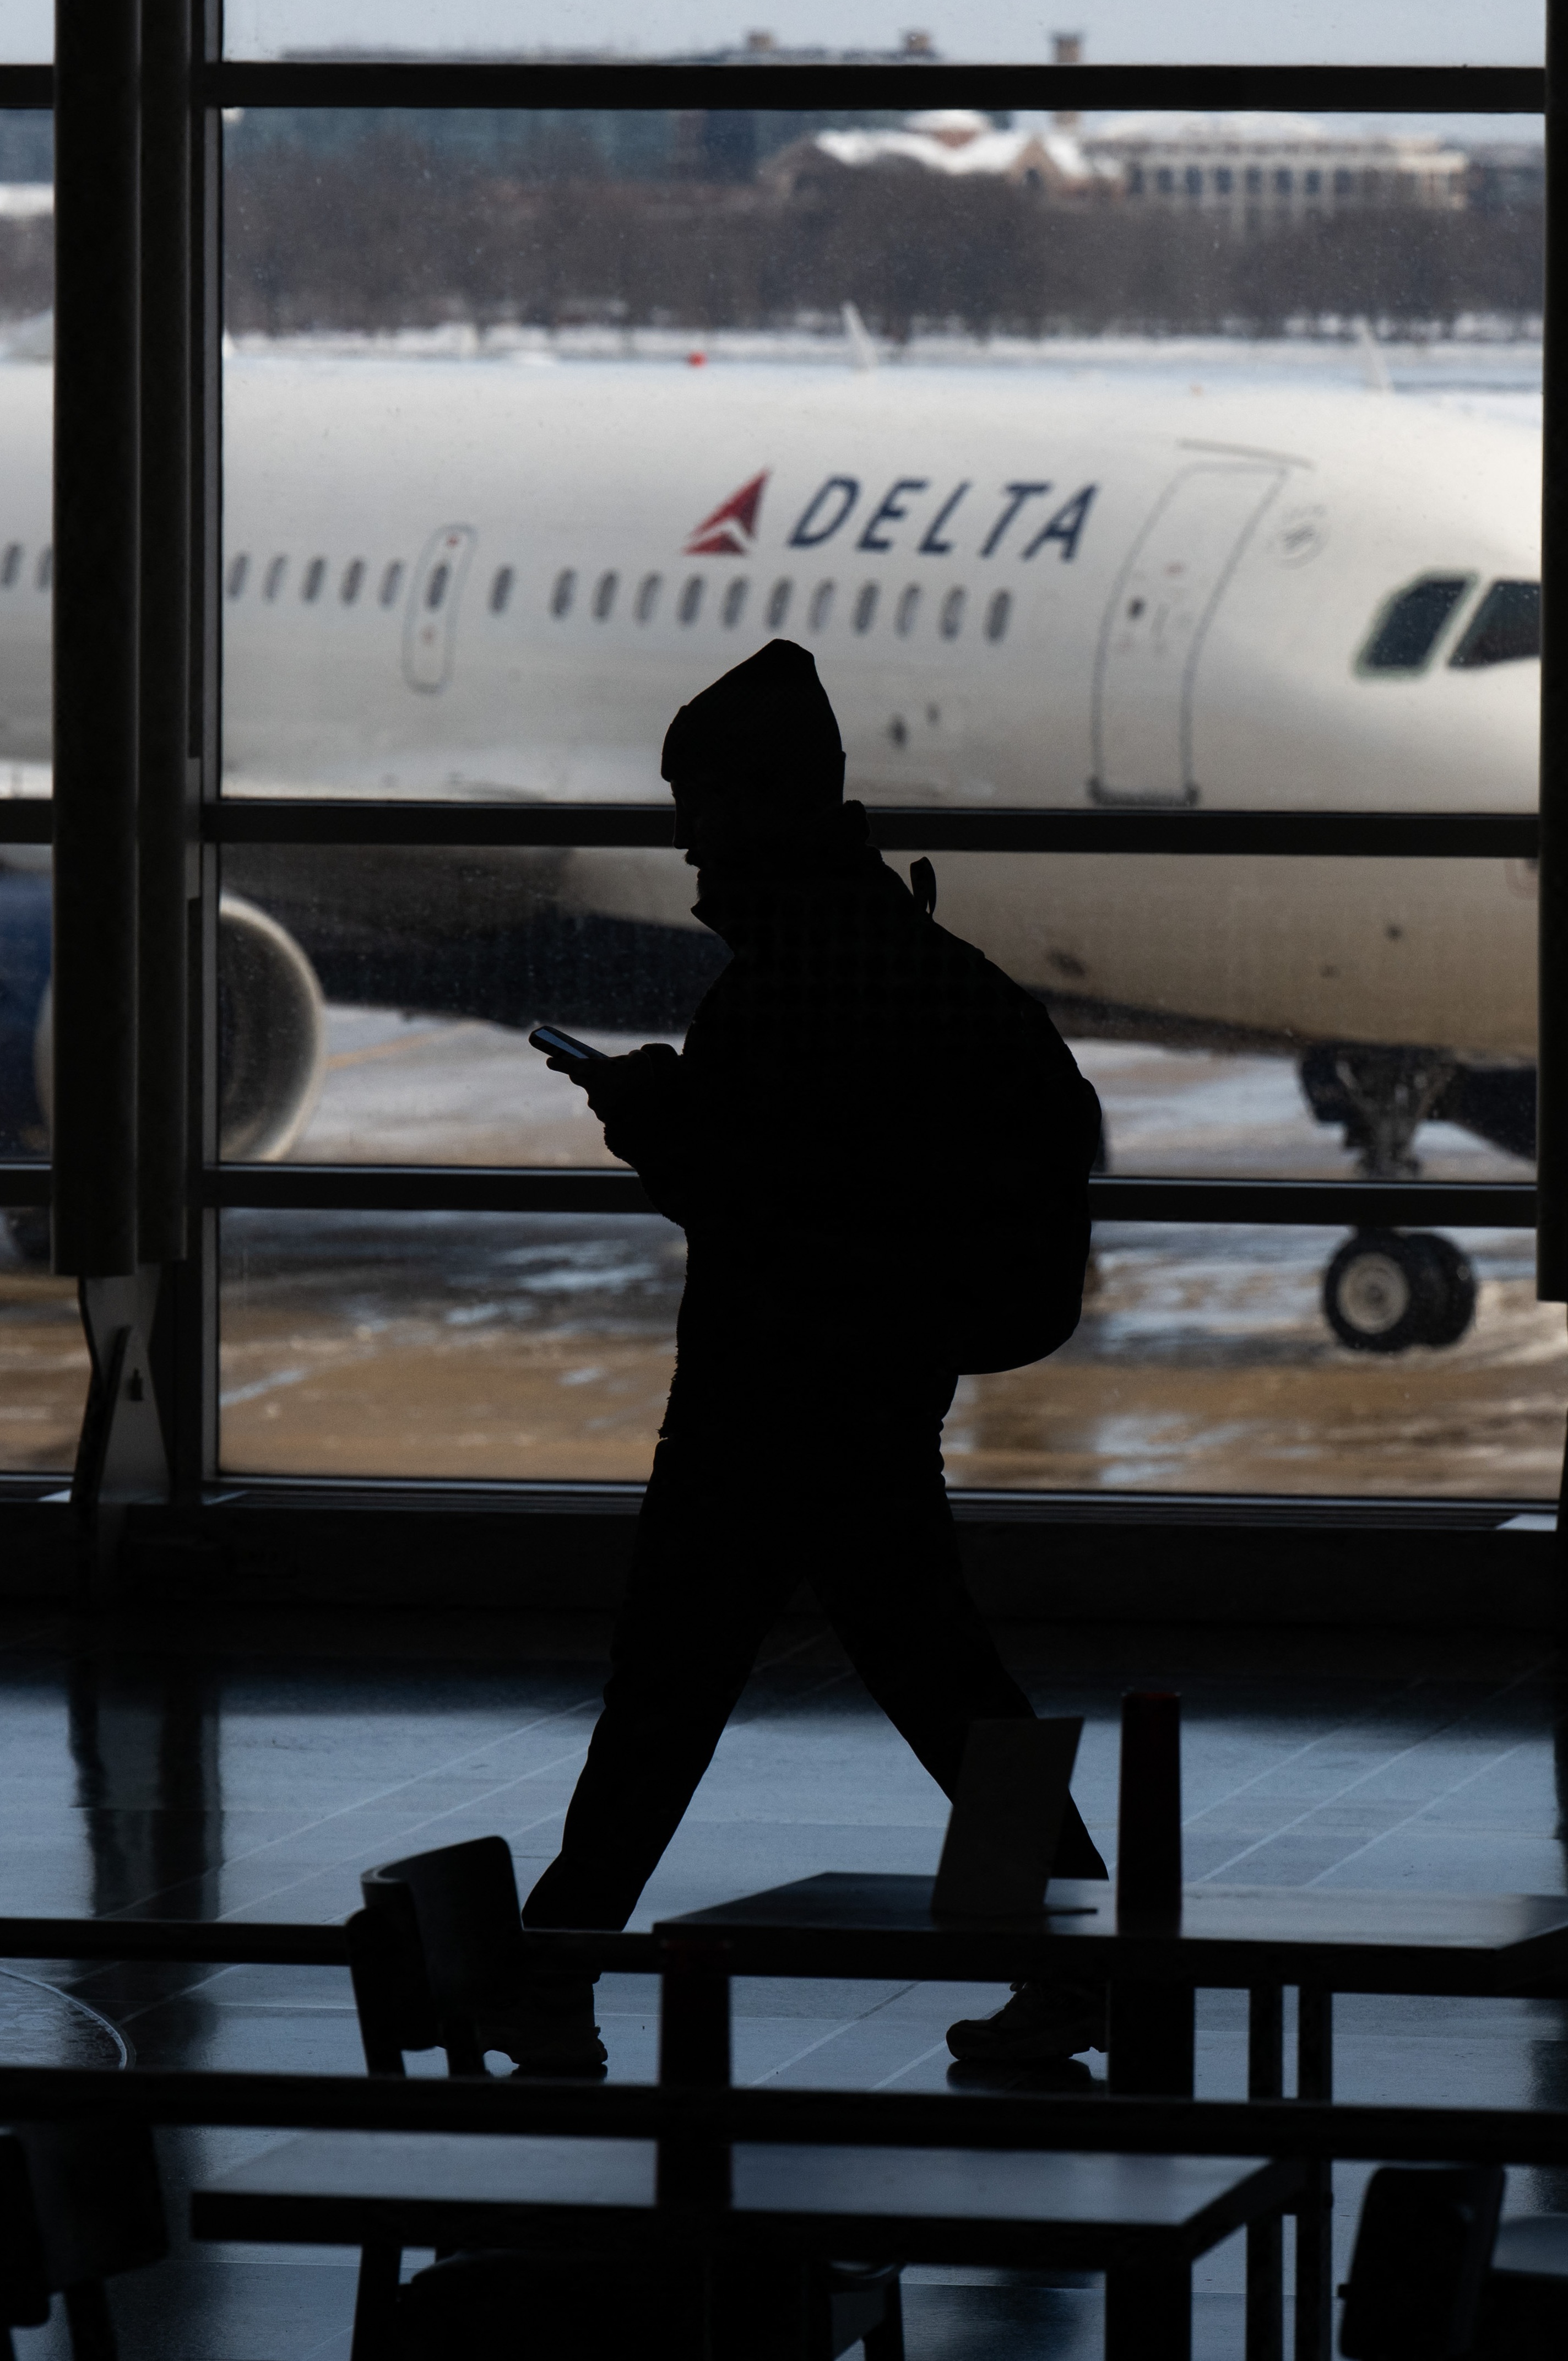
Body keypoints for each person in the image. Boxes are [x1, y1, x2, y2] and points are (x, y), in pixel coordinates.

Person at [498, 638, 1110, 2075]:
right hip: (872, 1395)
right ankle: (1080, 1959)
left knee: (669, 1701)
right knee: (947, 1690)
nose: (688, 846)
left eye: (700, 810)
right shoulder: (908, 964)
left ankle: (552, 1970)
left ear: (755, 807)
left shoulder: (780, 993)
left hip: (762, 1405)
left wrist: (653, 1123)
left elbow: (764, 1206)